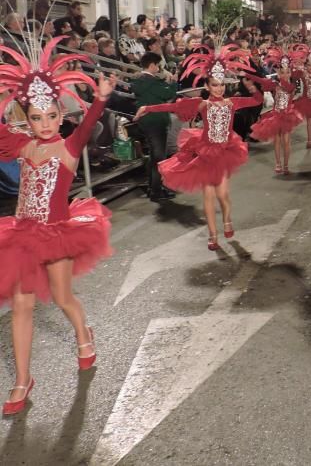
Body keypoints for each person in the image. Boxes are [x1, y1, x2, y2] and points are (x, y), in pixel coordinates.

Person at [0, 36, 115, 415]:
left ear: (61, 115)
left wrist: (100, 98)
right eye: (36, 116)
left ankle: (84, 334)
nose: (45, 124)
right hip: (22, 236)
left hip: (57, 236)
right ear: (25, 116)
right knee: (21, 306)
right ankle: (22, 380)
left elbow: (90, 124)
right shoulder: (21, 145)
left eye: (51, 116)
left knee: (63, 298)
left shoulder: (68, 147)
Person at [135, 45, 262, 250]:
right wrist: (147, 108)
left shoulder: (232, 103)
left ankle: (227, 220)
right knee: (209, 196)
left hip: (224, 153)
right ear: (207, 86)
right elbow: (173, 106)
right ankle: (213, 235)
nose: (219, 88)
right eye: (214, 85)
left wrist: (253, 86)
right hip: (206, 152)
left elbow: (257, 100)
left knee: (222, 195)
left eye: (221, 84)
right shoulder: (201, 105)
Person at [132, 52, 178, 202]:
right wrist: (173, 82)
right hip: (156, 122)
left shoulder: (140, 80)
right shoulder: (150, 81)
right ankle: (156, 191)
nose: (158, 68)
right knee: (159, 158)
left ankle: (154, 187)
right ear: (152, 65)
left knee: (154, 156)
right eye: (157, 65)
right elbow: (168, 93)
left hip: (147, 122)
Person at [250, 47, 301, 174]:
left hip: (288, 116)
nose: (284, 75)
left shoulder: (291, 86)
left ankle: (286, 165)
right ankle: (278, 163)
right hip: (276, 116)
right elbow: (260, 79)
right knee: (277, 141)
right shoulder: (275, 85)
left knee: (286, 141)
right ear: (278, 73)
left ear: (290, 73)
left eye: (287, 72)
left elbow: (288, 87)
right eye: (282, 72)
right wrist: (244, 74)